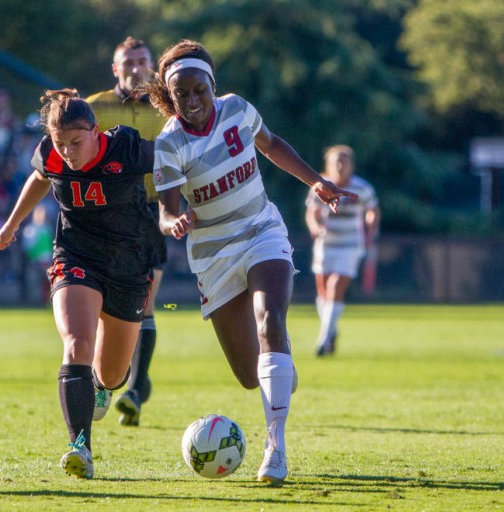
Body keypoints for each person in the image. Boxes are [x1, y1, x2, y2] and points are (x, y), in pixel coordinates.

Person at [143, 39, 357, 486]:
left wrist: (317, 181)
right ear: (172, 96)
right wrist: (173, 222)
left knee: (270, 320)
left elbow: (272, 144)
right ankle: (277, 368)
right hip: (213, 255)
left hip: (262, 231)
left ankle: (275, 448)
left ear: (212, 84)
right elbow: (165, 210)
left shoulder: (237, 109)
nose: (193, 100)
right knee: (247, 375)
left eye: (199, 89)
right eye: (182, 94)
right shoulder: (168, 143)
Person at [0, 89, 158, 480]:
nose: (67, 151)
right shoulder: (51, 154)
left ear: (95, 131)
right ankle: (79, 446)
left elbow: (178, 162)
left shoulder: (127, 148)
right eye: (59, 142)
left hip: (128, 265)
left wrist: (181, 210)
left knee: (115, 374)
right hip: (76, 257)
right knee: (77, 343)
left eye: (75, 142)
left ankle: (101, 384)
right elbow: (40, 176)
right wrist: (12, 223)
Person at [85, 36, 168, 427]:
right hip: (106, 214)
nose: (136, 67)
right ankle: (117, 378)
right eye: (128, 62)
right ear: (114, 69)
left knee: (146, 301)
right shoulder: (94, 107)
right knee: (106, 307)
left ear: (153, 66)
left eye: (142, 60)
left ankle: (133, 390)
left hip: (153, 214)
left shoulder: (168, 108)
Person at [305, 145, 380, 356]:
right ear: (328, 165)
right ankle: (331, 330)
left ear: (351, 165)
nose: (340, 166)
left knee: (335, 287)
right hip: (325, 244)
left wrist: (369, 231)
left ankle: (323, 340)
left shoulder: (362, 188)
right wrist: (315, 227)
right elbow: (312, 212)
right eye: (336, 162)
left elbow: (372, 211)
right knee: (323, 292)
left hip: (350, 246)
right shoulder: (320, 186)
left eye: (344, 162)